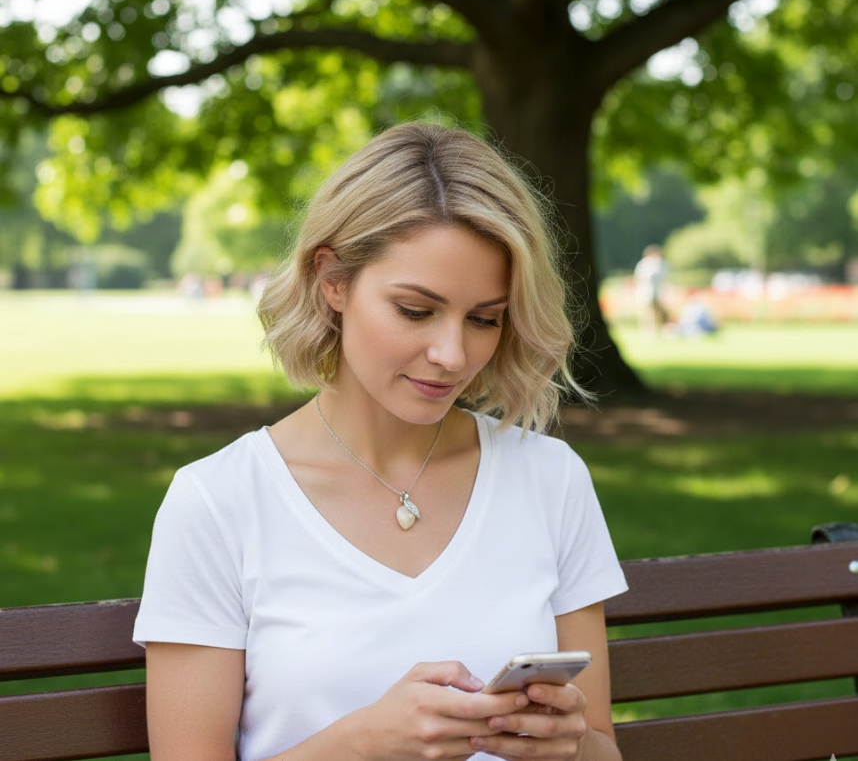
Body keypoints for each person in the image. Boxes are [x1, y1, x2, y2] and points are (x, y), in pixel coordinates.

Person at [133, 123, 629, 761]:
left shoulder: (550, 477)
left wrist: (568, 747)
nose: (452, 356)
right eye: (416, 311)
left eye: (484, 319)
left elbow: (603, 752)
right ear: (332, 281)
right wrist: (366, 743)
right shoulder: (218, 503)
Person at [633, 245, 669, 332]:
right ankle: (648, 329)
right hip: (646, 292)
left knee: (658, 311)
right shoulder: (643, 264)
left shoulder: (662, 264)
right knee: (647, 312)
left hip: (658, 292)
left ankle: (658, 327)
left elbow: (665, 279)